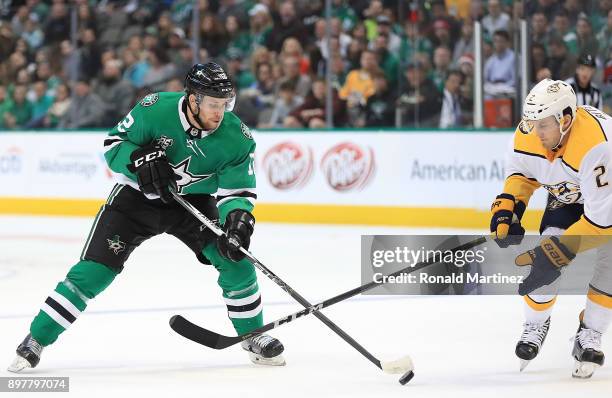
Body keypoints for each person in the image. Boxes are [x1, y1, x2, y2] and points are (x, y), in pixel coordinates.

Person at [8, 62, 285, 372]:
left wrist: (237, 220)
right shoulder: (154, 109)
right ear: (193, 99)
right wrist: (138, 160)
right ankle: (37, 338)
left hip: (192, 204)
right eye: (212, 105)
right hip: (135, 201)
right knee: (94, 272)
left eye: (224, 105)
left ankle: (253, 335)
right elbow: (114, 146)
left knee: (236, 260)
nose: (220, 113)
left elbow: (238, 192)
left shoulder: (237, 137)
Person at [489, 79, 612, 378]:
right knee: (547, 252)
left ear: (565, 120)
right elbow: (521, 172)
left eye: (543, 125)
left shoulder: (597, 145)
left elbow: (600, 223)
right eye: (531, 123)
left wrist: (558, 254)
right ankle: (535, 323)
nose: (535, 132)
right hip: (569, 195)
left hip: (607, 203)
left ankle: (590, 333)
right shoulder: (528, 132)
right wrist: (509, 206)